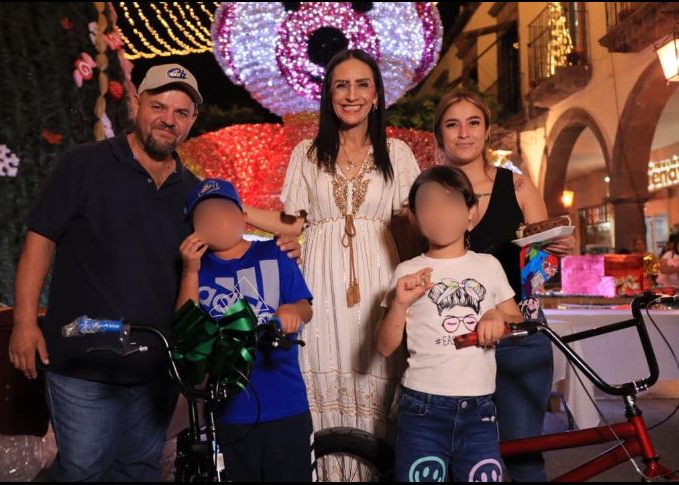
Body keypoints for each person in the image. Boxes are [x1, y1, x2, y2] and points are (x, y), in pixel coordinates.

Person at [8, 64, 301, 481]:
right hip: (83, 360)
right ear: (136, 104)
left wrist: (277, 249)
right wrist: (23, 321)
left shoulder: (192, 192)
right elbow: (40, 239)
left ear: (192, 121)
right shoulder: (84, 164)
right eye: (159, 106)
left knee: (139, 470)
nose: (169, 118)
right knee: (83, 469)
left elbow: (229, 243)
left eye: (181, 112)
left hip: (157, 366)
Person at [249, 49, 421, 453]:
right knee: (321, 376)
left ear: (377, 95)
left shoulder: (397, 154)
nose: (351, 94)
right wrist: (233, 211)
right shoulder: (307, 154)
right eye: (341, 84)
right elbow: (294, 223)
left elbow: (414, 226)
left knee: (380, 378)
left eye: (362, 84)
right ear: (328, 95)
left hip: (381, 279)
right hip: (321, 283)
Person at [433, 91, 575, 481]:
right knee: (458, 456)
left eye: (473, 122)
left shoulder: (517, 187)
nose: (464, 133)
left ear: (487, 131)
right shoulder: (429, 192)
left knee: (524, 453)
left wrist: (555, 250)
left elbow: (538, 270)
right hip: (453, 339)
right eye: (452, 124)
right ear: (439, 134)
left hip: (520, 336)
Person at [376, 166, 522, 483]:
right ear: (413, 217)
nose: (439, 212)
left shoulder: (488, 266)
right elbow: (384, 347)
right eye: (428, 204)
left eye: (451, 201)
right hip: (421, 408)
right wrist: (399, 304)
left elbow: (516, 319)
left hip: (480, 409)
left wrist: (497, 316)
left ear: (471, 213)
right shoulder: (407, 271)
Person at [176, 178, 314, 482]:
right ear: (193, 231)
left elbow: (305, 306)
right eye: (205, 216)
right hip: (231, 410)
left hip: (285, 403)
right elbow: (187, 330)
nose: (217, 219)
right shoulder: (198, 270)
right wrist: (190, 270)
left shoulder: (275, 253)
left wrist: (292, 310)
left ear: (243, 216)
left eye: (224, 210)